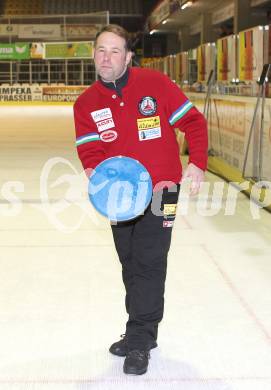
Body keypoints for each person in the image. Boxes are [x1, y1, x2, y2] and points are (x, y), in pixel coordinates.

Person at [73, 24, 208, 375]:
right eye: (101, 50)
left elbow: (194, 122)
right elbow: (89, 149)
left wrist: (197, 163)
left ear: (129, 56)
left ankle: (139, 340)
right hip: (121, 198)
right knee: (130, 262)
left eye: (115, 51)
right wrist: (93, 171)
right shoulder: (86, 103)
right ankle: (141, 330)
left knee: (149, 261)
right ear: (93, 54)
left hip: (163, 190)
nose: (107, 57)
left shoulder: (155, 84)